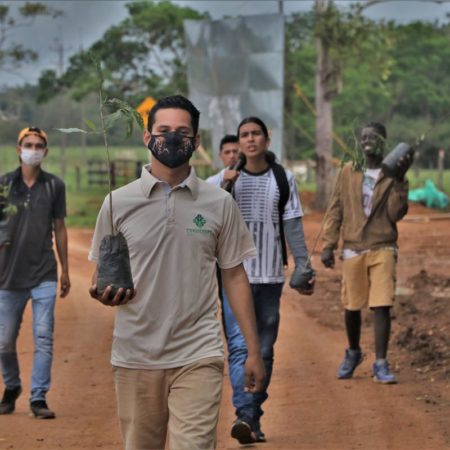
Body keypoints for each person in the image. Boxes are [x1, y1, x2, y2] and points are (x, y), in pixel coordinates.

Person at [88, 95, 265, 450]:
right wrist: (102, 292)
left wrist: (253, 351)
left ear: (196, 142)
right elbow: (103, 275)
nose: (171, 138)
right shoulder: (116, 203)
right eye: (163, 130)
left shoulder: (218, 203)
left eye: (182, 132)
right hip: (136, 354)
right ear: (147, 138)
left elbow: (233, 275)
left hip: (198, 351)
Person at [209, 117, 314, 444]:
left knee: (264, 349)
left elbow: (293, 225)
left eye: (256, 134)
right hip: (233, 276)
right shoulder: (222, 181)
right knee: (240, 347)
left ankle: (252, 416)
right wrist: (222, 188)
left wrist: (303, 266)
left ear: (267, 139)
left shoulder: (283, 179)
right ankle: (245, 414)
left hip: (269, 277)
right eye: (244, 135)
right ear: (238, 142)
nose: (250, 139)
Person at [320, 122, 412, 384]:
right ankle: (354, 351)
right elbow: (335, 208)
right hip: (353, 246)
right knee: (352, 305)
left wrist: (399, 182)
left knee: (381, 304)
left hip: (383, 245)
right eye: (364, 137)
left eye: (374, 137)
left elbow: (396, 214)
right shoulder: (348, 171)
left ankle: (381, 362)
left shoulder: (393, 174)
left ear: (384, 141)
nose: (367, 141)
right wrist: (328, 244)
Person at [0, 127, 71, 419]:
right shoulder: (3, 186)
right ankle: (12, 385)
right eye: (28, 144)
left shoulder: (54, 186)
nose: (33, 149)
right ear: (18, 149)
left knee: (43, 335)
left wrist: (66, 269)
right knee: (3, 340)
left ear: (46, 151)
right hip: (7, 275)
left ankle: (38, 397)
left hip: (44, 273)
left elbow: (60, 228)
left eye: (39, 145)